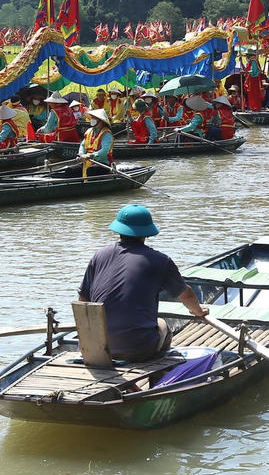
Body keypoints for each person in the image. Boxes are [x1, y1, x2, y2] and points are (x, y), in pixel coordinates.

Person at [78, 204, 208, 362]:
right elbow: (186, 294)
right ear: (146, 233)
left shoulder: (99, 256)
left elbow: (83, 301)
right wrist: (199, 311)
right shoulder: (161, 260)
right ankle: (158, 375)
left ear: (119, 230)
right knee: (163, 325)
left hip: (95, 349)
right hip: (138, 349)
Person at [77, 107, 114, 179]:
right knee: (70, 170)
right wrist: (81, 154)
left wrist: (91, 155)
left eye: (95, 118)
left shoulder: (106, 134)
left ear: (101, 121)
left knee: (90, 171)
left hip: (103, 164)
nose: (92, 120)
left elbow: (105, 150)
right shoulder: (89, 131)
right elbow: (82, 145)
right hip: (87, 162)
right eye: (92, 118)